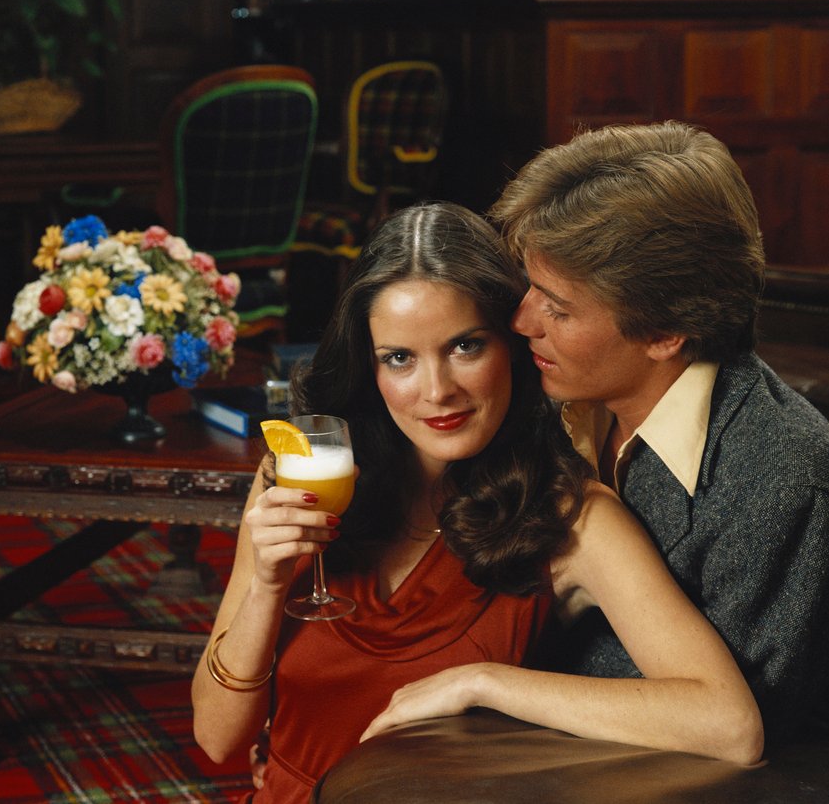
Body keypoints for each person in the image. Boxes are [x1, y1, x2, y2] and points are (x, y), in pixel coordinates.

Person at [192, 202, 763, 804]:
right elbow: (218, 739)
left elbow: (730, 725)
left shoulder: (573, 518)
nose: (437, 391)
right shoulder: (303, 477)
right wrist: (265, 585)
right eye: (400, 358)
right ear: (369, 363)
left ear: (514, 347)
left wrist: (485, 683)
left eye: (465, 346)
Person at [488, 120, 829, 744]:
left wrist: (487, 678)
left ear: (664, 334)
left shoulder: (782, 475)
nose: (522, 321)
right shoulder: (556, 395)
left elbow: (741, 733)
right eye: (531, 289)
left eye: (557, 308)